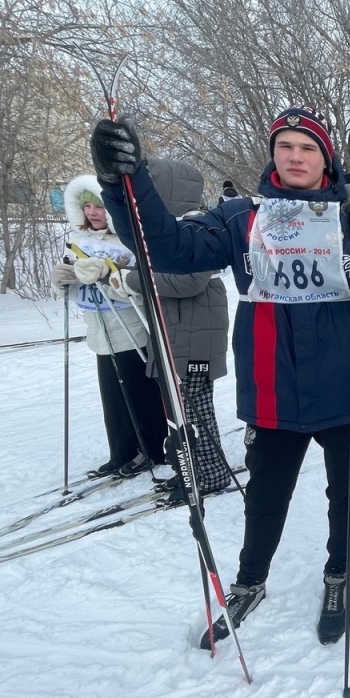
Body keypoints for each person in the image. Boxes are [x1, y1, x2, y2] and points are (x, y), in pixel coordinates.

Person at [88, 105, 350, 647]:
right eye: (285, 145)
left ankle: (338, 574)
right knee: (266, 494)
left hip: (345, 386)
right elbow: (170, 247)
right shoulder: (244, 216)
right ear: (272, 153)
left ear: (325, 157)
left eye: (308, 147)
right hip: (273, 389)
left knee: (345, 495)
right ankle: (250, 581)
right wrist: (123, 181)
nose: (295, 155)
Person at [101, 158, 232, 503]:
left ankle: (210, 474)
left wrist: (133, 281)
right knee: (180, 411)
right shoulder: (167, 234)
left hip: (197, 339)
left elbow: (189, 280)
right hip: (176, 335)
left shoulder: (198, 230)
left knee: (196, 408)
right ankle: (190, 470)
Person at [50, 175, 167, 479]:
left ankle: (152, 448)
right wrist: (62, 279)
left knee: (139, 392)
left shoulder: (128, 238)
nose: (92, 212)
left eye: (99, 207)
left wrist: (106, 274)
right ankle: (122, 450)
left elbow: (141, 282)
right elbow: (70, 284)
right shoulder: (78, 241)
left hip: (131, 327)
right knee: (113, 396)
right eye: (87, 206)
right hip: (100, 328)